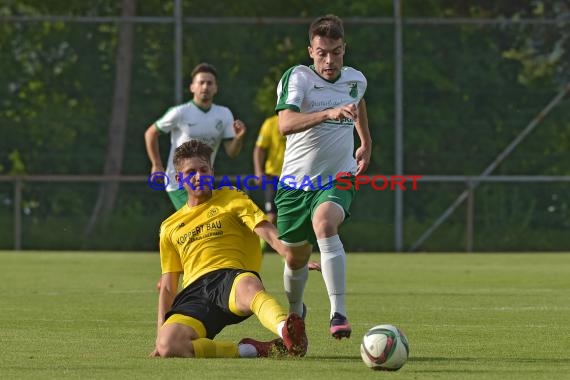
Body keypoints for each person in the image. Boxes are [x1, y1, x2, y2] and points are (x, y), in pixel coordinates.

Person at [150, 140, 308, 359]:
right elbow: (168, 286)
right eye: (191, 172)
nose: (198, 176)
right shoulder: (169, 227)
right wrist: (160, 334)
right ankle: (251, 351)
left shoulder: (231, 197)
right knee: (169, 345)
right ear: (179, 179)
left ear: (212, 171)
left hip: (230, 279)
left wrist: (291, 255)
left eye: (203, 169)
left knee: (250, 285)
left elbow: (266, 230)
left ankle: (288, 333)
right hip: (195, 294)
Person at [274, 14, 372, 340]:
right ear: (310, 51)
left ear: (344, 49)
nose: (329, 60)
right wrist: (327, 114)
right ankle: (296, 310)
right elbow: (285, 124)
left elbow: (358, 103)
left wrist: (366, 143)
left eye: (336, 52)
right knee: (295, 258)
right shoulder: (298, 78)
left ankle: (338, 313)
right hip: (294, 185)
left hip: (338, 176)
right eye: (322, 53)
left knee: (325, 224)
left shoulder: (356, 79)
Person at [144, 62, 246, 210]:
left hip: (203, 181)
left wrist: (239, 138)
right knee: (201, 222)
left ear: (216, 88)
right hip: (179, 182)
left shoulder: (224, 114)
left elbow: (232, 152)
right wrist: (156, 164)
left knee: (204, 226)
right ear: (192, 87)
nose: (205, 87)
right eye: (201, 82)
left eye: (209, 83)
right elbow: (151, 133)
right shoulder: (180, 112)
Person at [253, 114, 285, 226]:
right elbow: (259, 148)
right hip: (273, 175)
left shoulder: (302, 121)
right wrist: (258, 171)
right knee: (271, 215)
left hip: (296, 176)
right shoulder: (270, 123)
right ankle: (262, 243)